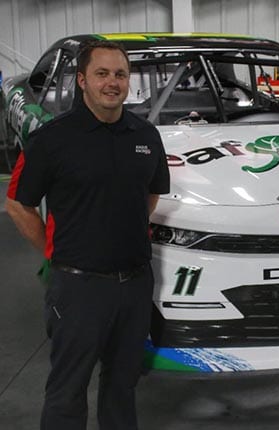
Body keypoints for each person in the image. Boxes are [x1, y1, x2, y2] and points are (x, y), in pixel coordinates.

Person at [5, 40, 170, 430]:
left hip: (133, 286)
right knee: (66, 392)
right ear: (82, 80)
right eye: (102, 74)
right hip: (78, 287)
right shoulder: (52, 139)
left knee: (122, 387)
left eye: (120, 75)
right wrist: (55, 252)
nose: (112, 83)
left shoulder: (146, 136)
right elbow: (18, 204)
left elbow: (151, 193)